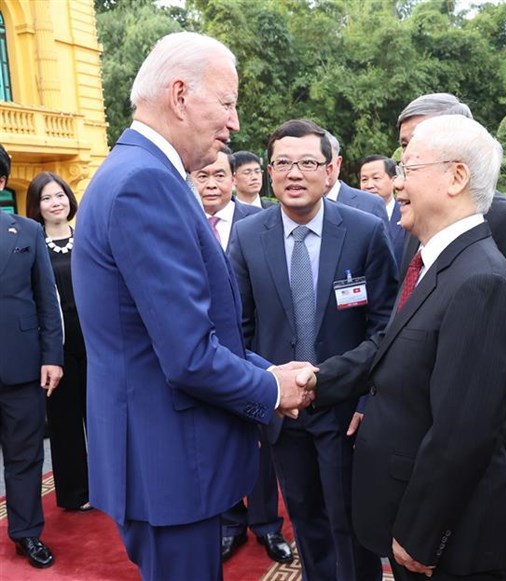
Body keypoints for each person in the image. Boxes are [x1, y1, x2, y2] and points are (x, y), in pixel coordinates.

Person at [71, 32, 315, 581]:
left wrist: (265, 370)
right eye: (227, 103)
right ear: (180, 95)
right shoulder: (144, 184)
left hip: (164, 457)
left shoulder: (141, 173)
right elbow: (188, 354)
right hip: (171, 466)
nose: (233, 123)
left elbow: (185, 332)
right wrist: (273, 388)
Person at [313, 115, 506, 580]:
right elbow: (395, 350)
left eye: (408, 168)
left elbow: (462, 433)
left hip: (446, 546)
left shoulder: (480, 280)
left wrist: (422, 533)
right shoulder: (435, 259)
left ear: (456, 177)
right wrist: (314, 381)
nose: (397, 183)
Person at [228, 119, 398, 581]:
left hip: (347, 411)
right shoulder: (247, 236)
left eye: (308, 162)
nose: (294, 173)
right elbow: (238, 329)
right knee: (307, 522)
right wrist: (267, 389)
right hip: (284, 413)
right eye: (282, 163)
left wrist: (364, 397)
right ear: (268, 171)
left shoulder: (364, 231)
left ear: (331, 169)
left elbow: (385, 326)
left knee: (351, 524)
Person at [397, 93, 506, 521]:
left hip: (491, 417)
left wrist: (503, 427)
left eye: (417, 144)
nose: (405, 158)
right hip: (431, 411)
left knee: (482, 527)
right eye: (405, 144)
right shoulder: (416, 220)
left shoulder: (503, 218)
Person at [192, 149, 292, 563]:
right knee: (222, 441)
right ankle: (230, 523)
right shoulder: (184, 222)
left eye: (219, 175)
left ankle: (267, 525)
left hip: (257, 353)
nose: (211, 184)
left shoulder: (260, 224)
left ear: (233, 179)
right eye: (203, 176)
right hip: (205, 354)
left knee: (263, 446)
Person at [0, 144, 63, 569]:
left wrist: (52, 355)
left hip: (21, 366)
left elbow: (46, 299)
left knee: (25, 456)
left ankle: (26, 533)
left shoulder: (27, 231)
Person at [25, 172, 90, 513]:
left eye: (60, 195)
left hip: (95, 342)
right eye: (47, 198)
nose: (56, 203)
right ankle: (75, 492)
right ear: (36, 205)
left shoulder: (87, 238)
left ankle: (110, 485)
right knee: (65, 423)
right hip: (57, 348)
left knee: (99, 419)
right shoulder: (32, 245)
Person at [324, 131, 389, 226]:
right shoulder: (297, 205)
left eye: (326, 160)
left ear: (338, 163)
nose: (320, 166)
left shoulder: (371, 205)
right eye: (309, 162)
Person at [359, 154, 406, 268]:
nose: (369, 185)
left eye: (376, 178)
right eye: (364, 180)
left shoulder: (407, 214)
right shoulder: (355, 218)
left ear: (393, 180)